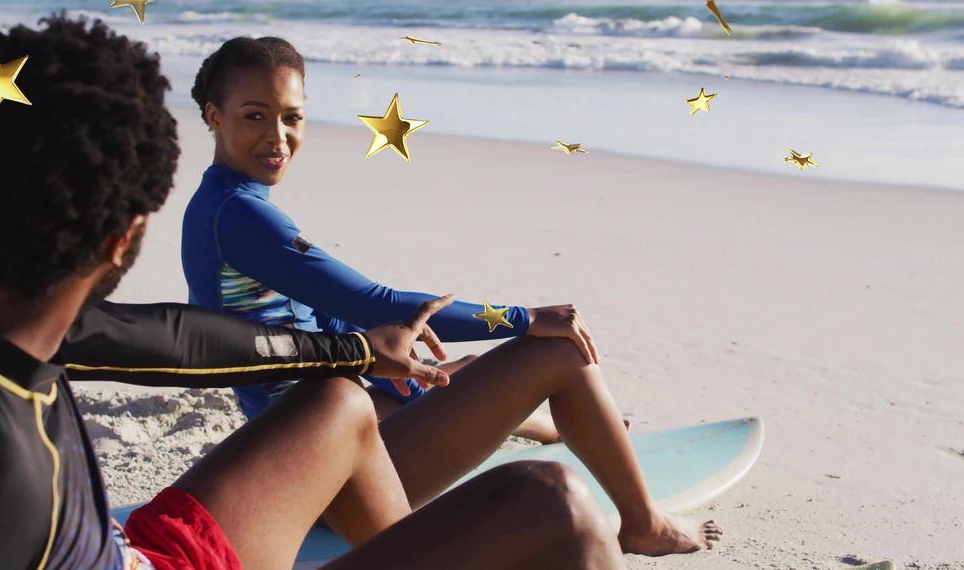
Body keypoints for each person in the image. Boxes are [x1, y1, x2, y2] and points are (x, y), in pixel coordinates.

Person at [0, 16, 629, 570]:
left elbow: (173, 337)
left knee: (339, 398)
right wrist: (517, 319)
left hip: (146, 549)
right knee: (555, 504)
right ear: (125, 238)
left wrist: (347, 351)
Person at [182, 36, 723, 557]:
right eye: (255, 115)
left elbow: (327, 316)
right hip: (333, 477)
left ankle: (548, 423)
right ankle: (645, 524)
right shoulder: (242, 216)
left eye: (291, 117)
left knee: (449, 370)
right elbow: (376, 303)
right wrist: (524, 318)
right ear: (214, 116)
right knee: (557, 351)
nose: (278, 136)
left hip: (316, 443)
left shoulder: (219, 205)